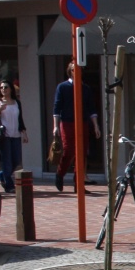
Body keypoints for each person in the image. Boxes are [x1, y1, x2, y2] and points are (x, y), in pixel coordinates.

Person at [51, 62, 101, 192]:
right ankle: (59, 174)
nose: (76, 72)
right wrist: (55, 126)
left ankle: (78, 185)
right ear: (70, 71)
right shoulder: (62, 87)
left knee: (82, 152)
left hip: (83, 123)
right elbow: (57, 107)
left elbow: (91, 109)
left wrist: (96, 126)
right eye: (74, 70)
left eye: (79, 70)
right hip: (67, 122)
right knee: (69, 150)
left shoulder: (86, 89)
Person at [0, 79, 28, 193]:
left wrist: (24, 132)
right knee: (7, 161)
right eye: (1, 88)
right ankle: (9, 185)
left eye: (6, 87)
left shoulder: (16, 102)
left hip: (16, 134)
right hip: (4, 136)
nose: (3, 89)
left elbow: (20, 119)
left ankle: (2, 174)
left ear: (11, 89)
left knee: (16, 160)